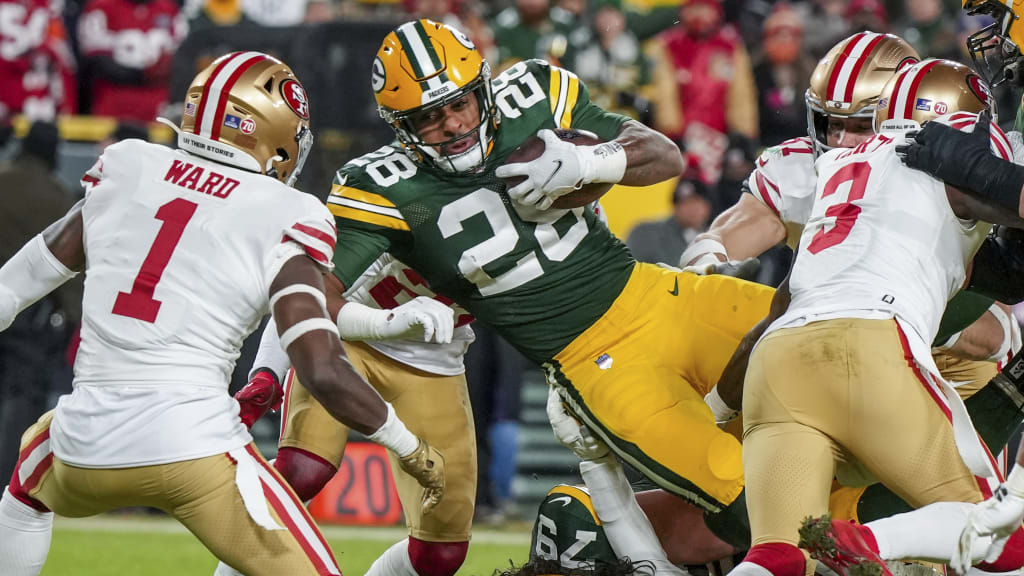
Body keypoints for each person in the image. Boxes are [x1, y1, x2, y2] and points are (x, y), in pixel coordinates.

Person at [318, 17, 778, 559]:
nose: (451, 125)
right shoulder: (378, 186)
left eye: (460, 103)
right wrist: (384, 321)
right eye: (427, 117)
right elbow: (310, 294)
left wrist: (590, 160)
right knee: (751, 500)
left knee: (827, 337)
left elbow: (665, 156)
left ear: (484, 86)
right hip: (593, 362)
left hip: (662, 295)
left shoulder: (537, 92)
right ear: (401, 127)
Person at [0, 51, 444, 576]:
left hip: (82, 446)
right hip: (196, 451)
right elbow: (321, 366)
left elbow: (12, 289)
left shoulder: (130, 166)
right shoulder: (288, 212)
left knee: (23, 495)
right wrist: (407, 444)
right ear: (274, 134)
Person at [726, 58, 1024, 576]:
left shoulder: (837, 162)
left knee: (777, 556)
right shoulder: (958, 153)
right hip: (871, 345)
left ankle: (834, 544)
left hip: (779, 361)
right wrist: (985, 167)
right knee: (1000, 539)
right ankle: (865, 541)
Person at [681, 32, 1022, 466]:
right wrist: (707, 261)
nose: (841, 141)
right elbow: (736, 228)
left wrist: (895, 314)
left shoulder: (944, 169)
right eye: (830, 123)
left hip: (948, 366)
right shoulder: (800, 167)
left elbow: (992, 332)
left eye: (861, 125)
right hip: (828, 347)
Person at [216, 251, 476, 576]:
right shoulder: (405, 203)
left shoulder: (547, 246)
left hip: (437, 357)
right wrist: (268, 368)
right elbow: (309, 291)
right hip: (345, 333)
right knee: (302, 471)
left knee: (440, 553)